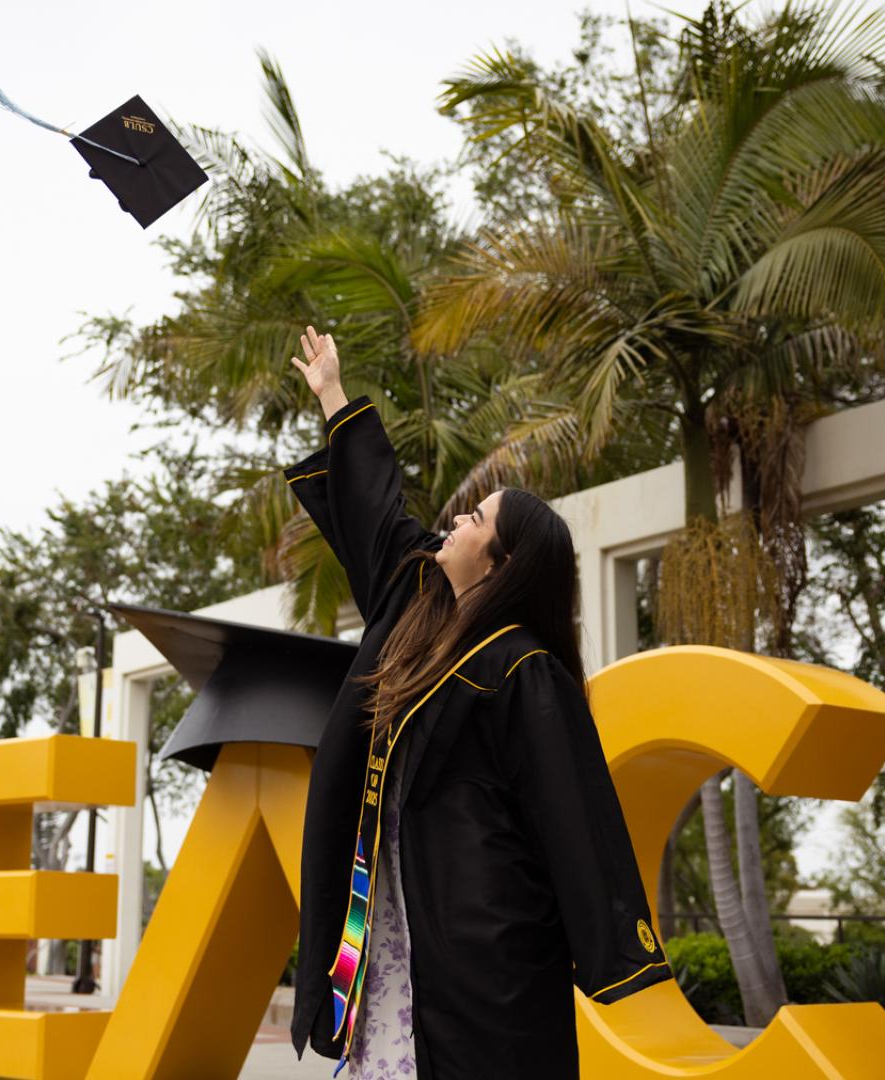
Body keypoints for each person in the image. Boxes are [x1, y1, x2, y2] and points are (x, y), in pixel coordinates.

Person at [282, 326, 672, 1078]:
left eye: (477, 520)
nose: (456, 520)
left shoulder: (521, 671)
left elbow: (571, 810)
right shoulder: (416, 608)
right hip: (389, 925)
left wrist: (610, 946)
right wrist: (333, 392)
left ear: (502, 563)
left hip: (479, 955)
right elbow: (375, 515)